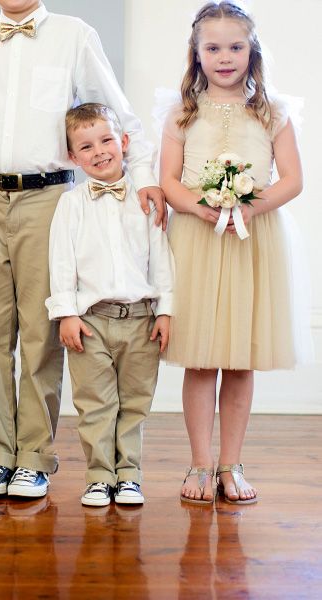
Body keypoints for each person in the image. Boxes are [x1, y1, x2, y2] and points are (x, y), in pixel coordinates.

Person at [0, 1, 166, 499]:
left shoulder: (74, 34)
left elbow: (118, 117)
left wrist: (143, 182)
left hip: (47, 196)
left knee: (40, 330)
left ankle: (33, 456)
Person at [160, 1, 304, 504]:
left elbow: (292, 179)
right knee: (201, 360)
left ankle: (231, 465)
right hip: (199, 239)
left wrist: (248, 206)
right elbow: (170, 182)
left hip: (252, 238)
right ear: (197, 54)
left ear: (252, 50)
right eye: (213, 47)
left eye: (236, 47)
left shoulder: (272, 111)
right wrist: (203, 206)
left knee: (239, 359)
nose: (225, 57)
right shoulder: (183, 112)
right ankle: (199, 462)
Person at [45, 103, 174, 506]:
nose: (99, 151)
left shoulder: (147, 199)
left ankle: (129, 473)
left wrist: (166, 309)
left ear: (124, 142)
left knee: (135, 402)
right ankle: (100, 474)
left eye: (106, 140)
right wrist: (66, 312)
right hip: (91, 321)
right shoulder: (71, 204)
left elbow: (162, 257)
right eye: (85, 146)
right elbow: (61, 260)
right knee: (96, 403)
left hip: (141, 320)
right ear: (72, 157)